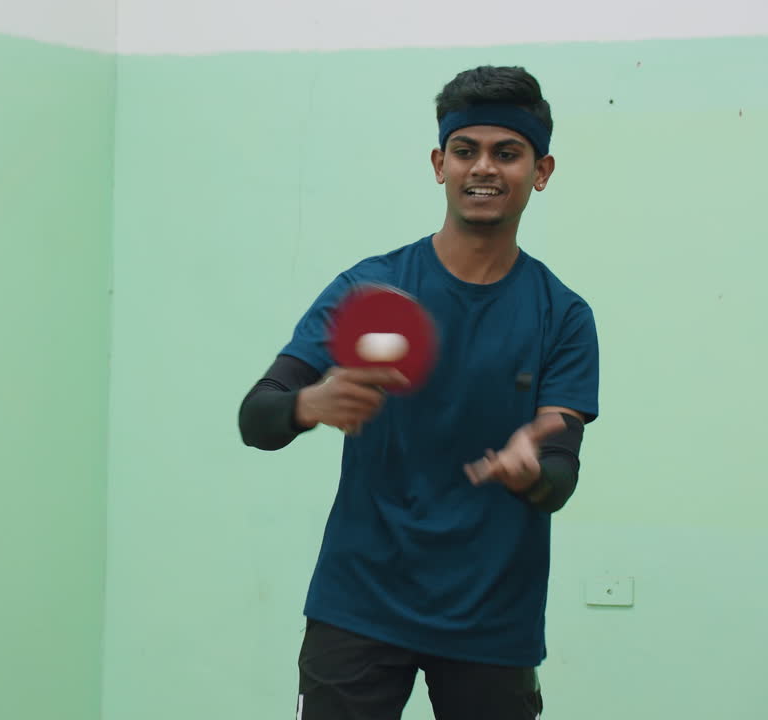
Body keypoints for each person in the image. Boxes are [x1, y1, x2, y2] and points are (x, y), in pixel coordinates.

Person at [238, 66, 599, 720]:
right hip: (359, 604)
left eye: (507, 152)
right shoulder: (371, 289)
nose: (483, 167)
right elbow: (257, 417)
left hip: (492, 617)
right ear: (440, 164)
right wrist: (306, 405)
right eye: (465, 150)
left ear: (541, 171)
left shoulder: (563, 316)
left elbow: (560, 471)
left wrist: (531, 473)